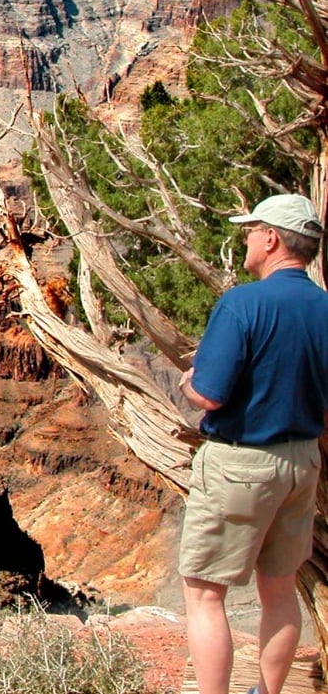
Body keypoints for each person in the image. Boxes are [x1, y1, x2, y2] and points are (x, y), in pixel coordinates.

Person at [179, 193, 328, 694]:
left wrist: (187, 382)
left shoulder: (244, 302)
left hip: (241, 464)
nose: (245, 238)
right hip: (303, 460)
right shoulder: (324, 306)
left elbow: (209, 395)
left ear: (271, 239)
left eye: (251, 229)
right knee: (280, 589)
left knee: (203, 592)